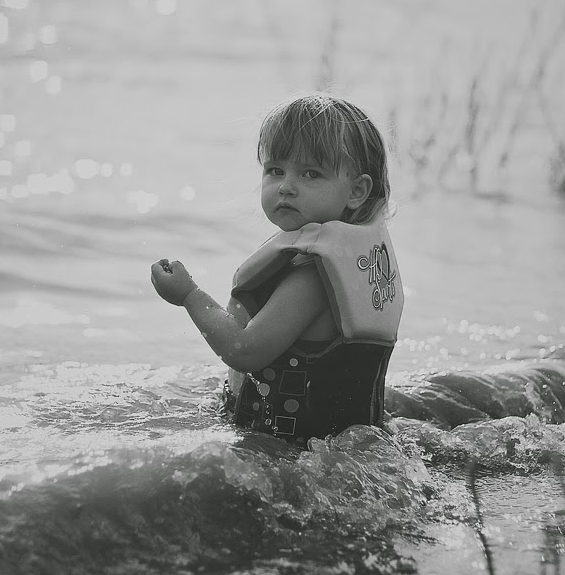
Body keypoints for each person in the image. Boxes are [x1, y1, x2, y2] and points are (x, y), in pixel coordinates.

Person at [151, 95, 404, 447]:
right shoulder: (345, 263)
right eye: (275, 170)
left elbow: (243, 351)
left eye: (311, 173)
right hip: (340, 441)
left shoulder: (312, 279)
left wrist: (189, 296)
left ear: (357, 191)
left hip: (294, 452)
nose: (285, 186)